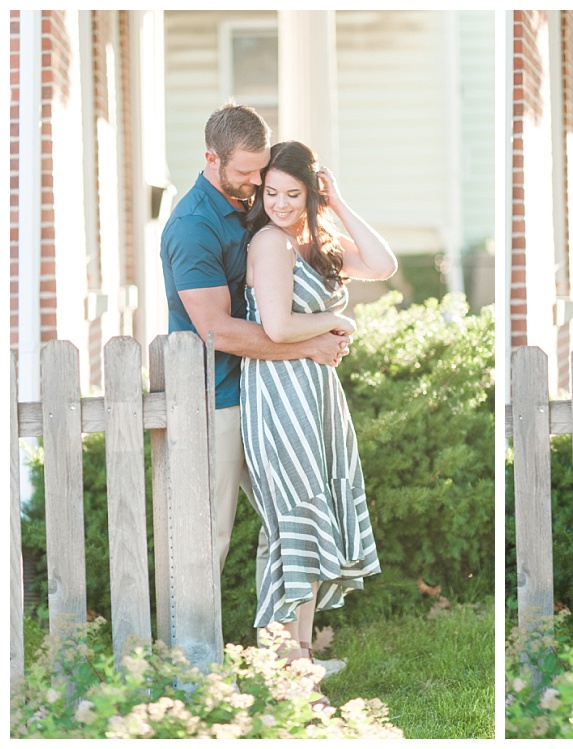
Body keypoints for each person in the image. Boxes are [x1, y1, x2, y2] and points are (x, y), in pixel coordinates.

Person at [159, 104, 350, 622]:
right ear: (211, 159)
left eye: (260, 170)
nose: (255, 180)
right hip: (216, 399)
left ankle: (284, 659)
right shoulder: (194, 225)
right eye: (244, 172)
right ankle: (193, 665)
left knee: (288, 526)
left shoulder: (252, 205)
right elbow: (217, 329)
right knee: (211, 536)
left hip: (264, 398)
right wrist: (308, 345)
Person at [240, 140, 397, 667]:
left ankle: (299, 658)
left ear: (310, 196)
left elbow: (381, 263)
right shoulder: (269, 243)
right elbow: (278, 326)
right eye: (272, 192)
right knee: (293, 522)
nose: (281, 204)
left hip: (316, 396)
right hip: (279, 394)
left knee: (309, 520)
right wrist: (340, 322)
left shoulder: (311, 242)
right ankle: (285, 665)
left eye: (293, 194)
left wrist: (338, 202)